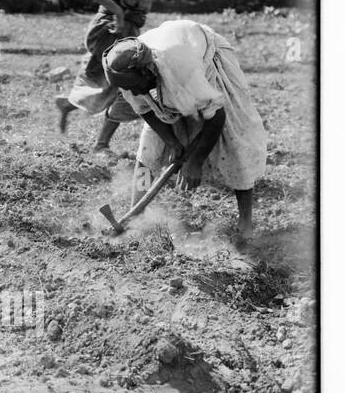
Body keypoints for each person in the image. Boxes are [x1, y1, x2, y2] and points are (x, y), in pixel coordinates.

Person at [103, 20, 267, 233]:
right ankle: (136, 215)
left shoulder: (180, 69)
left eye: (134, 87)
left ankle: (245, 222)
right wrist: (173, 142)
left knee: (233, 137)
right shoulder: (124, 74)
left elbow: (217, 115)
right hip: (171, 57)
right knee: (148, 150)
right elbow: (146, 111)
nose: (133, 93)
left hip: (207, 56)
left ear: (146, 72)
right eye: (128, 89)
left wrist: (195, 161)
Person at [55, 0, 159, 152]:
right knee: (129, 84)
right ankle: (101, 144)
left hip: (127, 28)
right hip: (112, 27)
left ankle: (70, 105)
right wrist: (118, 11)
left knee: (115, 85)